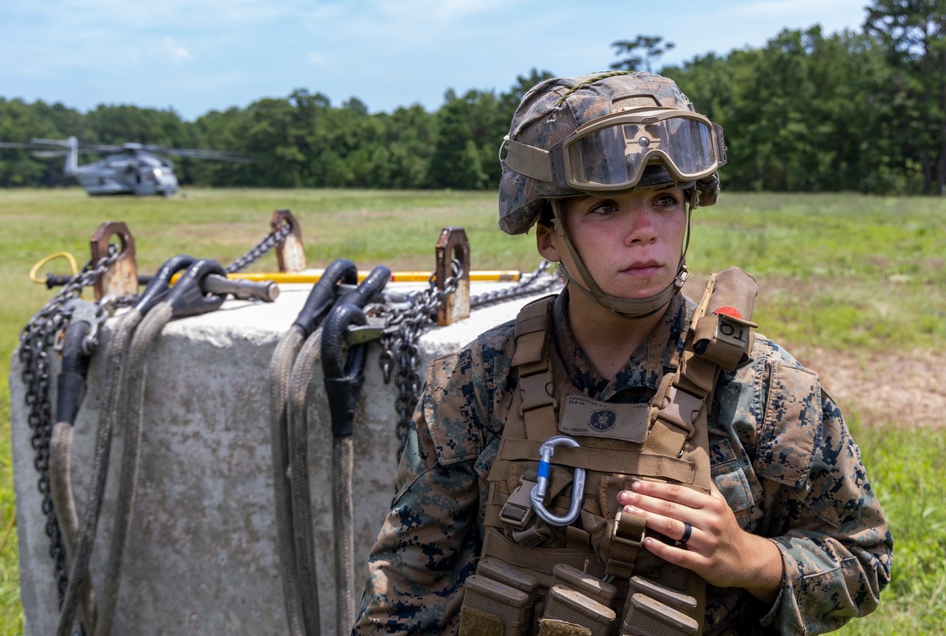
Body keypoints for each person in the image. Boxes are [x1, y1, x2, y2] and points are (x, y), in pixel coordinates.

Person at [353, 71, 892, 635]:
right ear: (548, 233)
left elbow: (863, 558)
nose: (644, 231)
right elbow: (407, 590)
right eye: (605, 208)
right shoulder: (476, 383)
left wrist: (753, 560)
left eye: (665, 200)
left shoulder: (767, 389)